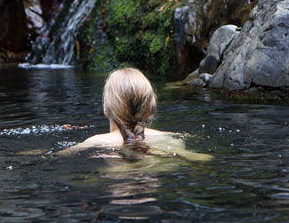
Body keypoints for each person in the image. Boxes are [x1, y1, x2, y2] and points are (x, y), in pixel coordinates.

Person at [61, 67, 211, 162]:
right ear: (150, 109)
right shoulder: (172, 138)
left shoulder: (95, 142)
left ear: (107, 109)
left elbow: (56, 157)